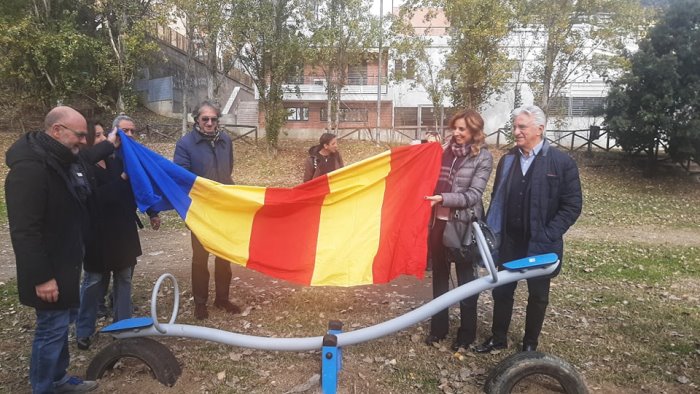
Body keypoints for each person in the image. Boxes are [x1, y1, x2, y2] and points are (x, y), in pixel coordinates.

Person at [5, 106, 116, 393]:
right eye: (79, 135)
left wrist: (110, 143)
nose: (83, 140)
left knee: (61, 325)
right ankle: (44, 388)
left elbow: (88, 158)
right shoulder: (29, 170)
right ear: (57, 131)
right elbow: (25, 231)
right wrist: (41, 277)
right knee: (50, 330)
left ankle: (59, 379)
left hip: (68, 265)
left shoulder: (64, 158)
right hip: (48, 271)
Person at [475, 105, 582, 353]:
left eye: (522, 127)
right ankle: (498, 337)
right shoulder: (508, 160)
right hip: (510, 240)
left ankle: (530, 345)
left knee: (538, 296)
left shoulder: (561, 162)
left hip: (541, 243)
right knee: (502, 291)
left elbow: (572, 205)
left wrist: (549, 234)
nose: (516, 131)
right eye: (515, 127)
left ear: (540, 129)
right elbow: (498, 197)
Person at [75, 116, 160, 350]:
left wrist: (152, 211)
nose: (107, 138)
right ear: (88, 141)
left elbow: (136, 189)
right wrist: (122, 181)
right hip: (97, 235)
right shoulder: (83, 168)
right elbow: (96, 199)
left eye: (105, 134)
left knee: (124, 279)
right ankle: (84, 330)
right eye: (100, 135)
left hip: (122, 230)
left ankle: (122, 326)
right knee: (92, 282)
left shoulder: (115, 161)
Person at [423, 109, 493, 351]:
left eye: (462, 129)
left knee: (466, 281)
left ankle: (466, 334)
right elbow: (425, 171)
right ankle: (438, 329)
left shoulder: (483, 157)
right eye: (454, 128)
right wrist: (425, 149)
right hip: (438, 224)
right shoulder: (443, 151)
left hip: (463, 226)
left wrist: (442, 198)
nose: (456, 133)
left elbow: (473, 195)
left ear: (474, 131)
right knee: (440, 279)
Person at [174, 101, 240, 320]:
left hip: (224, 209)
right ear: (197, 120)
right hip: (201, 211)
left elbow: (228, 168)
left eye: (214, 119)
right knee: (200, 259)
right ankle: (200, 303)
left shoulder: (226, 140)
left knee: (224, 257)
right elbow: (181, 177)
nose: (210, 123)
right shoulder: (185, 144)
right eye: (205, 119)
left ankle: (222, 298)